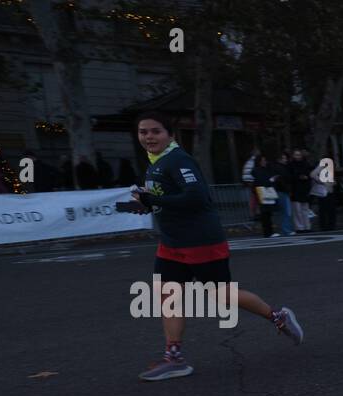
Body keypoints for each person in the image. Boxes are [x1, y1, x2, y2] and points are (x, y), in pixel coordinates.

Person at [122, 111, 302, 381]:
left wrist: (152, 200)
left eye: (155, 131)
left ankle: (278, 317)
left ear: (170, 134)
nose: (148, 136)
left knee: (221, 296)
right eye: (143, 132)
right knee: (167, 296)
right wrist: (144, 204)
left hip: (201, 241)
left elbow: (196, 198)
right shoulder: (155, 162)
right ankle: (174, 358)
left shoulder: (178, 159)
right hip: (172, 242)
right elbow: (167, 199)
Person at [251, 153, 281, 237]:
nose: (265, 162)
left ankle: (269, 231)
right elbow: (261, 181)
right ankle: (268, 232)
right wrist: (271, 180)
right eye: (263, 161)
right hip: (262, 192)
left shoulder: (263, 170)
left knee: (267, 212)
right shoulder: (258, 171)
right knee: (265, 212)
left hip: (264, 191)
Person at [289, 148, 312, 232]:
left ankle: (307, 226)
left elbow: (309, 174)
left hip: (304, 188)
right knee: (297, 210)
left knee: (305, 209)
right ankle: (299, 227)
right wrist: (298, 177)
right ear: (293, 156)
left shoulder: (305, 164)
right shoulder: (291, 165)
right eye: (296, 155)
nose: (298, 156)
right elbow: (290, 177)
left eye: (299, 155)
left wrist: (306, 177)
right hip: (295, 188)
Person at [309, 154, 335, 230]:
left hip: (329, 190)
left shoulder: (328, 167)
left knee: (329, 209)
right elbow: (312, 174)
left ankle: (329, 225)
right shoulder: (321, 166)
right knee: (324, 209)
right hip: (324, 191)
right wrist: (322, 181)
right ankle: (325, 226)